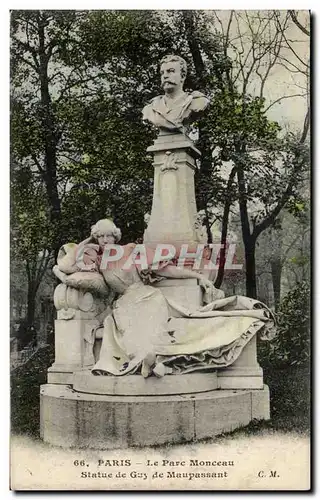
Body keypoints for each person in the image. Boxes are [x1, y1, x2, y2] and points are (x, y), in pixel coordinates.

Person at [54, 219, 275, 378]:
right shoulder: (98, 263)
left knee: (152, 322)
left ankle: (157, 360)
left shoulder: (131, 251)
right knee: (129, 326)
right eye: (100, 236)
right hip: (125, 302)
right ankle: (150, 360)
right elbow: (67, 265)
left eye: (108, 235)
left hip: (149, 296)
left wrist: (198, 275)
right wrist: (84, 243)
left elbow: (167, 270)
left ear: (116, 236)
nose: (104, 240)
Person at [142, 55, 210, 132]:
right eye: (162, 73)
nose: (165, 76)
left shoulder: (197, 101)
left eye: (170, 71)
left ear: (183, 76)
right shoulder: (150, 108)